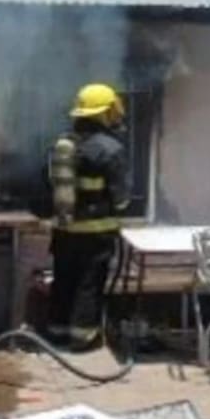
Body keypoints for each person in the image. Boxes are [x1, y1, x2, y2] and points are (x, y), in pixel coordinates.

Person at [46, 83, 132, 352]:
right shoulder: (110, 148)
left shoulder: (63, 145)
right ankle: (83, 338)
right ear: (104, 113)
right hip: (96, 233)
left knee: (64, 280)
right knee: (88, 284)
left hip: (64, 229)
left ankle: (57, 332)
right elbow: (122, 199)